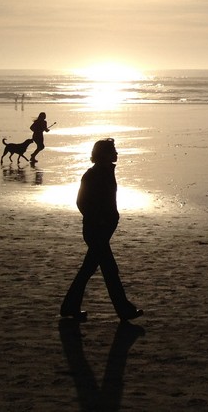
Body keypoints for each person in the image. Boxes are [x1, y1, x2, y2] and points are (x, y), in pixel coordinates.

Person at [60, 138, 142, 322]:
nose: (116, 153)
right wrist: (100, 220)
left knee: (95, 269)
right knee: (107, 270)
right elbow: (81, 202)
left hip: (101, 230)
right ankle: (123, 310)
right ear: (103, 153)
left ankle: (70, 306)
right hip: (96, 231)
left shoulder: (105, 172)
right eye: (113, 149)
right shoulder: (94, 174)